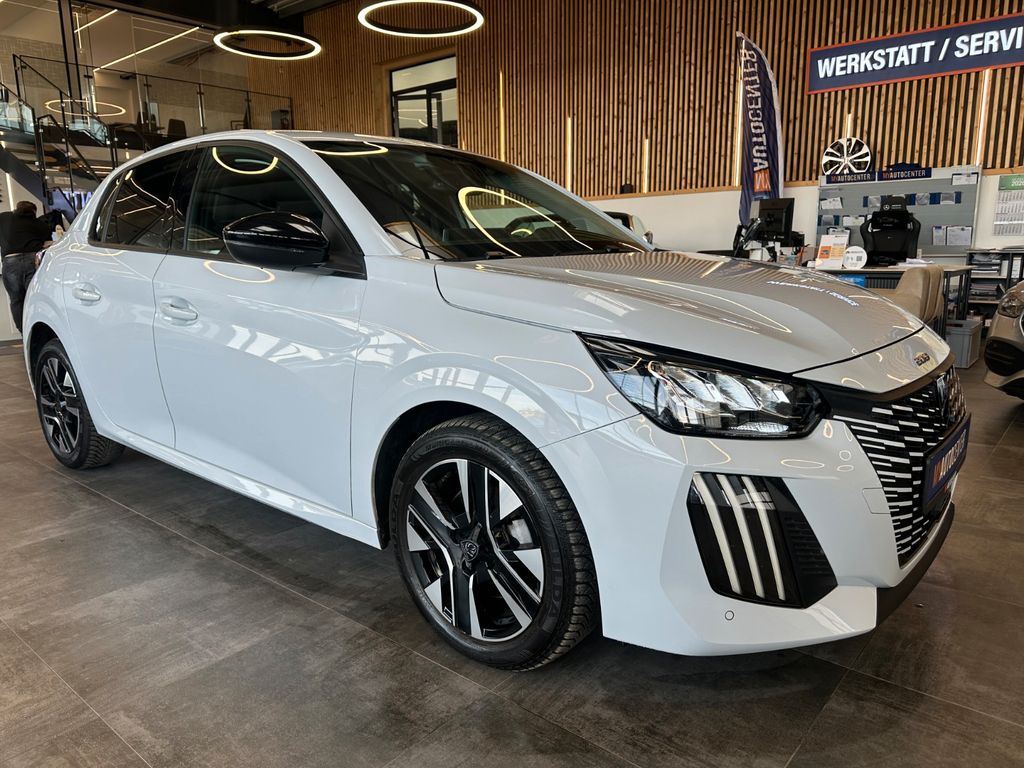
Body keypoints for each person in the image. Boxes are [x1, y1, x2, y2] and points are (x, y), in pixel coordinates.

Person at [0, 201, 54, 334]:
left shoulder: (4, 218)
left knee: (16, 300)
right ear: (33, 212)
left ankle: (24, 333)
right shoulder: (40, 224)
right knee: (35, 299)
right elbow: (47, 243)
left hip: (11, 261)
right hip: (33, 260)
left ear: (16, 209)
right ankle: (39, 333)